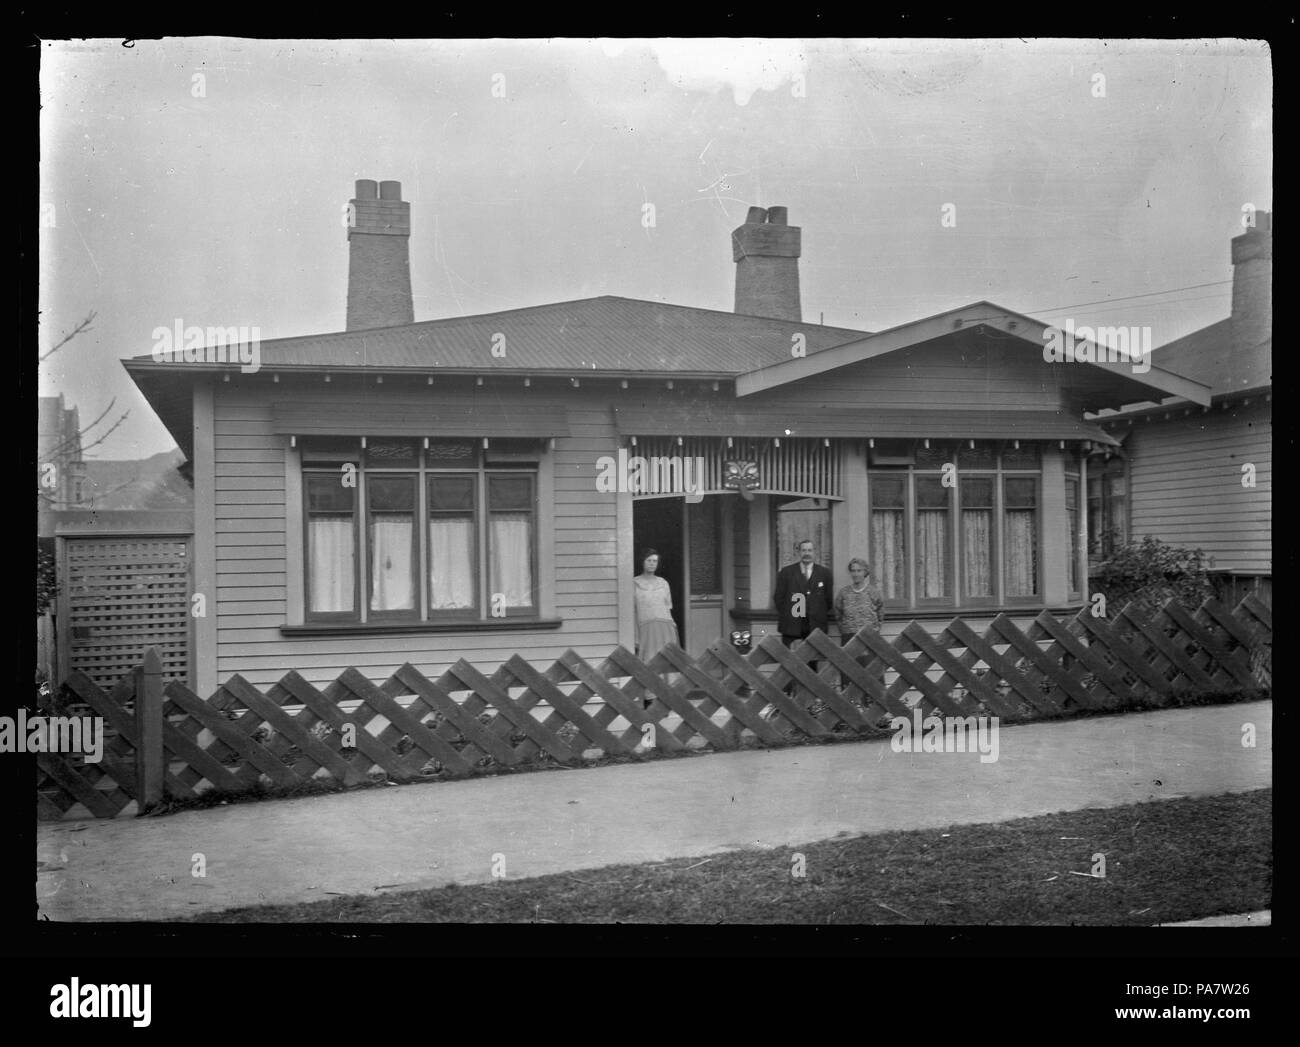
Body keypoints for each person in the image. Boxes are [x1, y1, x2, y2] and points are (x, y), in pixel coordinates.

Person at [773, 540, 833, 693]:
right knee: (789, 663)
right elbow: (778, 599)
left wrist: (814, 613)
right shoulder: (786, 573)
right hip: (792, 627)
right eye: (803, 550)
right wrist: (793, 615)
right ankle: (786, 700)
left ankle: (810, 700)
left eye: (810, 550)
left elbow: (828, 601)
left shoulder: (824, 573)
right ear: (798, 552)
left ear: (815, 552)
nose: (807, 553)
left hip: (814, 626)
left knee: (812, 665)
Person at [834, 557, 886, 692]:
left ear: (865, 572)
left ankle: (874, 705)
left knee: (872, 673)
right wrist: (846, 629)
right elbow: (838, 614)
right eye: (853, 571)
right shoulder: (843, 593)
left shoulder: (873, 592)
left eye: (859, 570)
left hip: (870, 640)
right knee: (850, 673)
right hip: (849, 638)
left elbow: (880, 613)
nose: (856, 574)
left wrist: (874, 630)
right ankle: (852, 705)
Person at [633, 548, 679, 659]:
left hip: (665, 626)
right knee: (649, 661)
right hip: (646, 627)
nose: (652, 564)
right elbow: (633, 611)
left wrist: (673, 626)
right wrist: (636, 635)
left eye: (655, 561)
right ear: (642, 562)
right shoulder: (634, 583)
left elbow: (668, 607)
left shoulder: (663, 583)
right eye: (649, 560)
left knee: (668, 660)